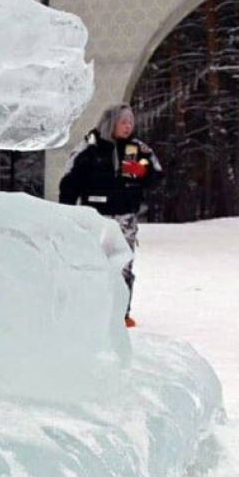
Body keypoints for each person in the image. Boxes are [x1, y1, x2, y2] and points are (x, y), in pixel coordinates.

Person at [58, 104, 164, 328]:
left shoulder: (138, 149)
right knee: (93, 263)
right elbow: (70, 180)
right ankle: (90, 310)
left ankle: (120, 314)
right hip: (95, 217)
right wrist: (67, 211)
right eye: (123, 122)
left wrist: (143, 172)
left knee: (123, 263)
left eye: (130, 122)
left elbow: (157, 177)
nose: (128, 127)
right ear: (111, 122)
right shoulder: (90, 146)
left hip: (125, 216)